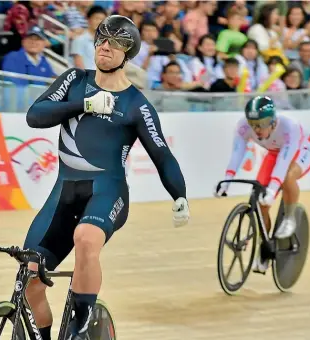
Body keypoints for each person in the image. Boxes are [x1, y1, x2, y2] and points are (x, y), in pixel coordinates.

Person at [23, 15, 190, 340]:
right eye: (101, 40)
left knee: (86, 239)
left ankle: (80, 326)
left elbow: (162, 154)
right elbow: (35, 115)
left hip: (107, 192)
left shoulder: (136, 105)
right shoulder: (74, 79)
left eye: (115, 44)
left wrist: (179, 194)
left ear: (128, 54)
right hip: (64, 193)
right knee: (30, 277)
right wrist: (83, 104)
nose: (105, 47)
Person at [215, 96, 310, 274]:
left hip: (302, 149)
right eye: (252, 123)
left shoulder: (289, 127)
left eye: (261, 124)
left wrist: (272, 189)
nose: (256, 129)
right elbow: (237, 153)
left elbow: (284, 162)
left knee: (286, 177)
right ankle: (265, 249)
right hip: (275, 153)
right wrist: (227, 180)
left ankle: (290, 217)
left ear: (272, 121)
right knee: (260, 201)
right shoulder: (243, 127)